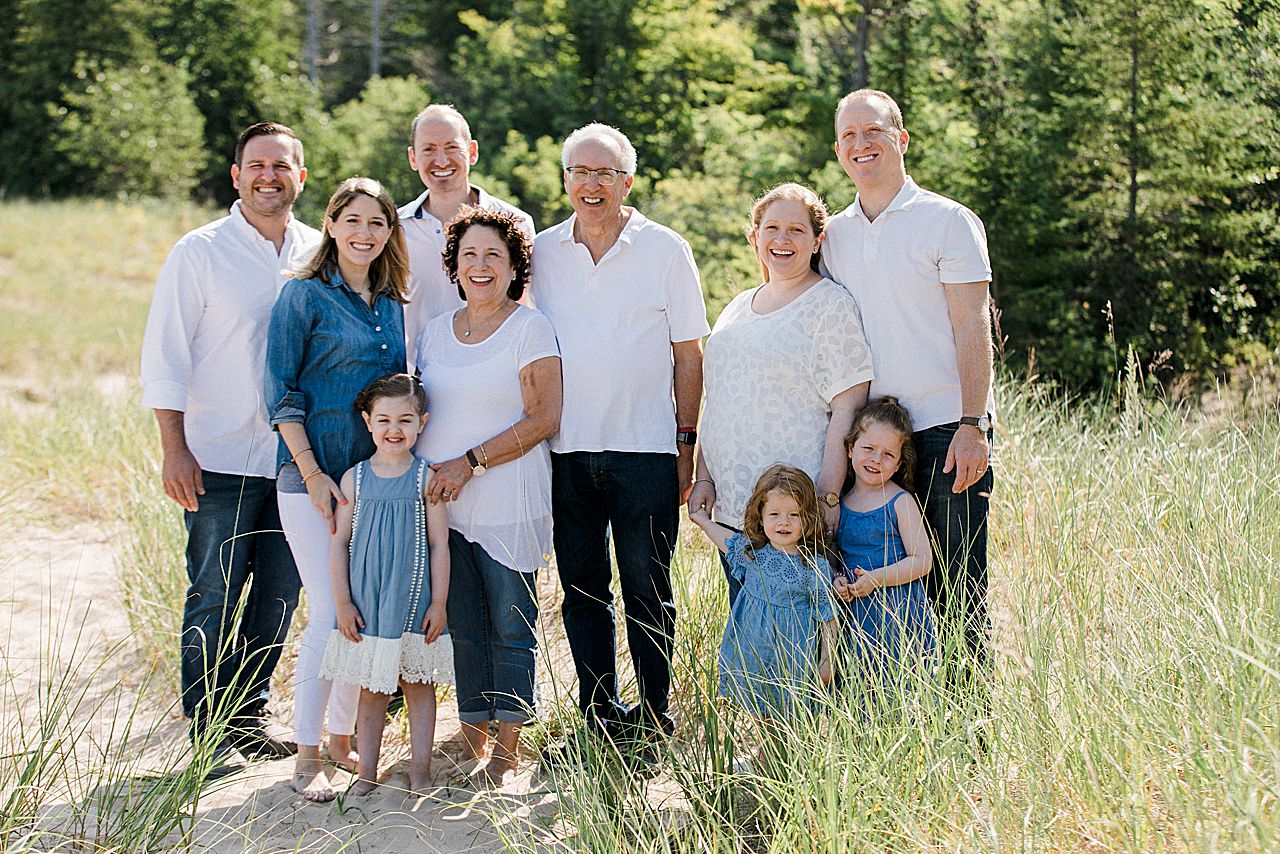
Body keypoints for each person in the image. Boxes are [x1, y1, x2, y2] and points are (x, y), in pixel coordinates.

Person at [140, 121, 319, 765]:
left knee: (279, 591)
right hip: (215, 453)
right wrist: (173, 448)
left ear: (301, 176)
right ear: (236, 175)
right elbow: (166, 355)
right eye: (257, 165)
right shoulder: (200, 252)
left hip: (295, 459)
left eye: (282, 166)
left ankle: (245, 719)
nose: (269, 176)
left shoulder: (319, 251)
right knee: (212, 588)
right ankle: (203, 727)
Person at [531, 123, 709, 750]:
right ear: (565, 182)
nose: (592, 184)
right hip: (565, 452)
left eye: (605, 173)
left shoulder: (665, 249)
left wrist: (687, 445)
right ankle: (600, 715)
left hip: (646, 452)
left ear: (628, 182)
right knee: (581, 595)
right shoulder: (542, 252)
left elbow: (690, 356)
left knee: (648, 591)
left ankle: (657, 718)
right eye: (580, 172)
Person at [821, 89, 995, 689]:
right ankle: (890, 718)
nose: (860, 144)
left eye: (873, 131)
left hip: (947, 427)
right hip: (871, 442)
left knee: (957, 585)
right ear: (838, 150)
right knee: (872, 594)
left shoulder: (947, 220)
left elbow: (973, 323)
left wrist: (975, 425)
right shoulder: (833, 236)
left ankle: (970, 732)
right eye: (848, 136)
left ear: (901, 139)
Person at [264, 176, 410, 801]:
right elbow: (281, 393)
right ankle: (304, 756)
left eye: (376, 223)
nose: (364, 233)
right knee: (329, 609)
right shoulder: (302, 297)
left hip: (374, 483)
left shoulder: (391, 302)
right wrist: (316, 474)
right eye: (352, 220)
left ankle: (342, 740)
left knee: (368, 610)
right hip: (311, 480)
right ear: (330, 224)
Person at [415, 206, 562, 786]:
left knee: (510, 622)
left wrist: (470, 462)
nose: (481, 266)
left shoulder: (530, 328)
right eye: (470, 254)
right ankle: (472, 737)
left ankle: (509, 749)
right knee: (463, 624)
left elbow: (545, 416)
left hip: (508, 499)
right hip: (444, 505)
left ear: (513, 267)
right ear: (454, 264)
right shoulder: (432, 333)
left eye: (493, 256)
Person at [690, 183, 874, 606]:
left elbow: (848, 406)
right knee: (751, 638)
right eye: (771, 228)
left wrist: (827, 497)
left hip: (794, 513)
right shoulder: (737, 306)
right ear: (755, 236)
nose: (782, 240)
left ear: (816, 241)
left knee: (798, 645)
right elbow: (718, 400)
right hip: (736, 511)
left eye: (796, 230)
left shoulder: (830, 305)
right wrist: (704, 475)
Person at [320, 374, 454, 797]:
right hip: (368, 603)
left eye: (405, 419)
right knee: (372, 691)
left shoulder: (424, 479)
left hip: (414, 601)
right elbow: (339, 544)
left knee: (418, 687)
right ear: (368, 422)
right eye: (384, 420)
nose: (394, 429)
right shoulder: (353, 480)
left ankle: (419, 770)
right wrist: (342, 603)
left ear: (422, 422)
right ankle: (367, 773)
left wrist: (439, 602)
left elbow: (439, 545)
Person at [689, 465, 840, 720]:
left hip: (790, 659)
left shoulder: (814, 567)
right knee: (762, 712)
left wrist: (827, 661)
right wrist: (703, 520)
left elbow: (828, 617)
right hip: (755, 652)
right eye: (775, 514)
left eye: (794, 514)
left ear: (808, 519)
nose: (784, 522)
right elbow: (725, 540)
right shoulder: (753, 554)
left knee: (789, 717)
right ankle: (764, 757)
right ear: (760, 516)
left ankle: (783, 758)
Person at [399, 104, 535, 364]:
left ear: (472, 151)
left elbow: (522, 304)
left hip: (492, 375)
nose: (441, 160)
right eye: (428, 149)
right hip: (414, 384)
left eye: (452, 147)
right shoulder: (394, 230)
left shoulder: (517, 223)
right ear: (413, 158)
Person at [831, 397, 936, 687]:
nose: (876, 459)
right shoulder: (841, 503)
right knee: (860, 689)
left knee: (900, 688)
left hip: (899, 611)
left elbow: (922, 560)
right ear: (851, 448)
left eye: (888, 454)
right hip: (857, 615)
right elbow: (838, 558)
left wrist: (876, 579)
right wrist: (838, 580)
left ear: (899, 463)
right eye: (868, 449)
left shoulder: (900, 501)